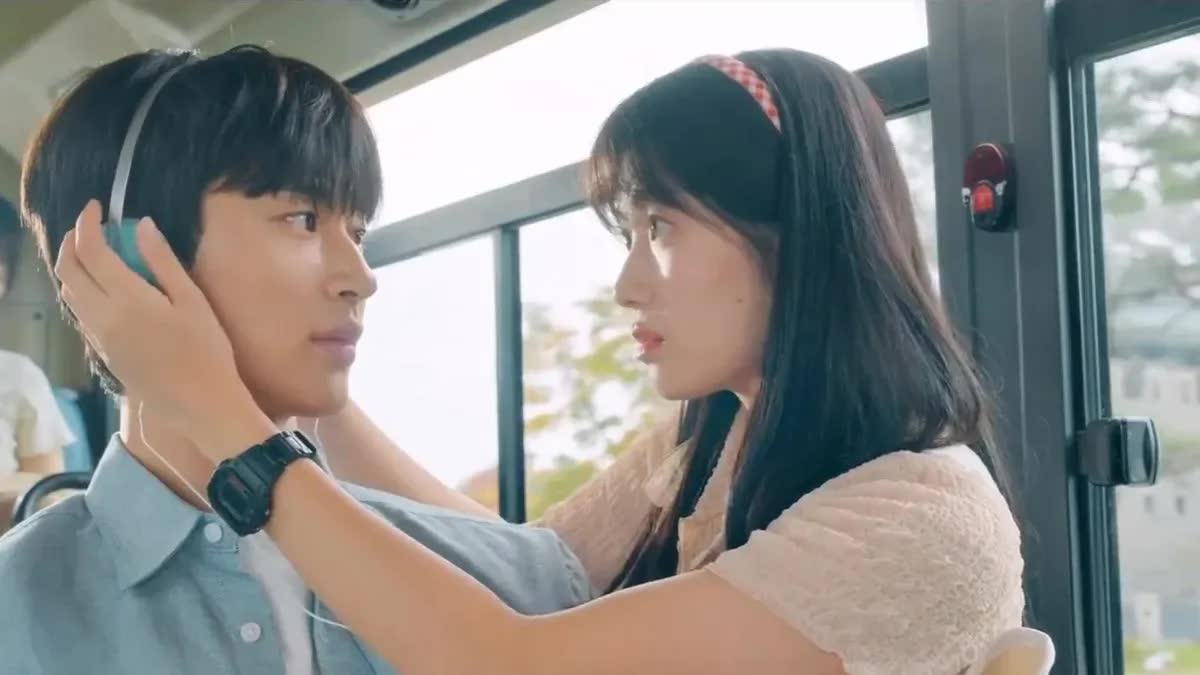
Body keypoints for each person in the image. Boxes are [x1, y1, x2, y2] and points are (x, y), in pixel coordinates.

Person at [58, 48, 1028, 674]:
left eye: (661, 228)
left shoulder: (923, 520)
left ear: (799, 233)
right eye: (304, 221)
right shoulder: (714, 440)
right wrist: (309, 385)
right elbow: (527, 570)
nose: (629, 286)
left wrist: (231, 425)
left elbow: (505, 659)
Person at [0, 46, 591, 675]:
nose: (361, 277)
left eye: (357, 233)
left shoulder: (525, 579)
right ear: (125, 261)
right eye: (304, 219)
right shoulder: (17, 607)